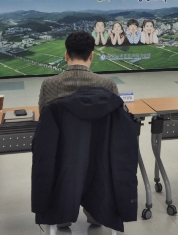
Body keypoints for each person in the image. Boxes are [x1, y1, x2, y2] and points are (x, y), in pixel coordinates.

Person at [37, 31, 121, 227]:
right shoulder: (107, 86)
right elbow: (118, 122)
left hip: (63, 157)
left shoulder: (49, 86)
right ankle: (95, 212)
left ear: (66, 55)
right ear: (92, 55)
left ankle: (62, 214)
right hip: (98, 159)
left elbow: (44, 120)